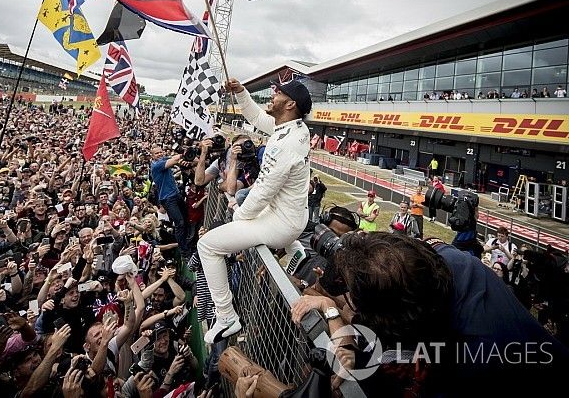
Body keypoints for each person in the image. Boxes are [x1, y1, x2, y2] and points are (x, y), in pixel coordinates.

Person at [289, 232, 568, 396]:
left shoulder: (471, 361)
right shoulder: (446, 260)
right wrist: (334, 312)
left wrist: (335, 315)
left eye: (353, 299)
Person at [198, 77, 311, 344]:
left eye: (278, 93)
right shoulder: (293, 127)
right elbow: (259, 118)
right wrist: (241, 92)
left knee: (208, 246)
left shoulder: (285, 143)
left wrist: (238, 214)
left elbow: (263, 190)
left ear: (290, 103)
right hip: (291, 216)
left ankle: (226, 316)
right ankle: (295, 248)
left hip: (280, 224)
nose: (273, 95)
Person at [149, 144, 192, 259]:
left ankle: (188, 242)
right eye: (156, 153)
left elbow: (175, 159)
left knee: (186, 218)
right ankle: (184, 252)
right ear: (152, 156)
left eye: (160, 152)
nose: (159, 154)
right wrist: (183, 155)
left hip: (176, 194)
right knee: (180, 223)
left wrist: (184, 161)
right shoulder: (156, 165)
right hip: (168, 198)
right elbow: (173, 160)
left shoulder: (163, 159)